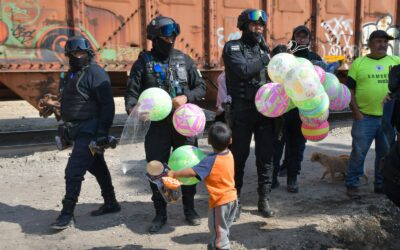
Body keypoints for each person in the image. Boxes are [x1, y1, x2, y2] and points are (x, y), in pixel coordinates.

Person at [124, 16, 206, 233]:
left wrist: (186, 98)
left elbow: (201, 88)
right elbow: (131, 97)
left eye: (172, 36)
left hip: (184, 126)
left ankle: (189, 209)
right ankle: (160, 213)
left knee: (188, 167)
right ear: (154, 38)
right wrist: (136, 111)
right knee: (156, 170)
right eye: (165, 36)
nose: (170, 40)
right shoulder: (143, 63)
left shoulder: (185, 60)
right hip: (156, 128)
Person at [51, 36, 120, 230]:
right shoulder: (71, 74)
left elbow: (108, 106)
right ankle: (111, 202)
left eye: (80, 53)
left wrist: (102, 133)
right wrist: (62, 130)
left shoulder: (96, 74)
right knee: (96, 166)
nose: (76, 57)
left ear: (88, 53)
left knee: (73, 171)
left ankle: (66, 213)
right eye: (72, 54)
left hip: (90, 130)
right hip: (75, 130)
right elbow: (66, 104)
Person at [222, 9, 275, 220]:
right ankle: (235, 201)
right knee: (238, 159)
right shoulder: (232, 47)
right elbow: (243, 70)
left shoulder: (264, 49)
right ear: (244, 26)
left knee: (266, 159)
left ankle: (264, 199)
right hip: (241, 113)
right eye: (254, 25)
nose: (258, 29)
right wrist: (266, 58)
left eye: (261, 25)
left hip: (264, 114)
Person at [345, 30, 400, 198]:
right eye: (378, 41)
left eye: (385, 41)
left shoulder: (396, 62)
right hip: (365, 117)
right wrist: (356, 112)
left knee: (385, 154)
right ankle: (352, 185)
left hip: (388, 120)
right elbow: (349, 90)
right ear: (369, 44)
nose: (382, 44)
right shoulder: (358, 63)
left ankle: (380, 184)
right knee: (358, 153)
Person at [168, 122, 238, 250]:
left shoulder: (210, 161)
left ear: (209, 142)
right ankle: (215, 244)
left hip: (220, 202)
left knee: (217, 228)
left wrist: (175, 173)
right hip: (232, 198)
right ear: (230, 141)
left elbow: (192, 172)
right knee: (223, 228)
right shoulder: (229, 153)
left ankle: (221, 246)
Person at [281, 25, 324, 193]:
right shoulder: (286, 57)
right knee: (279, 144)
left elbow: (323, 79)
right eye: (298, 37)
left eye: (304, 37)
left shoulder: (315, 57)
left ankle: (293, 178)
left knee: (298, 145)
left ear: (309, 40)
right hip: (285, 108)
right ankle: (277, 174)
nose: (301, 39)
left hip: (305, 110)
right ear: (293, 38)